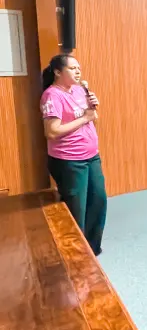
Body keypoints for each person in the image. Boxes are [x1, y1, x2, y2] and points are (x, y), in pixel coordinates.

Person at [40, 54, 107, 255]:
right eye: (72, 68)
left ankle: (91, 251)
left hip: (91, 156)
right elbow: (52, 131)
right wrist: (85, 118)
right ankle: (75, 255)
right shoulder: (52, 95)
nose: (78, 72)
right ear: (57, 72)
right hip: (69, 160)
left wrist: (92, 111)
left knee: (98, 201)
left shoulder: (79, 90)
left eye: (78, 68)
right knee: (76, 210)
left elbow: (92, 119)